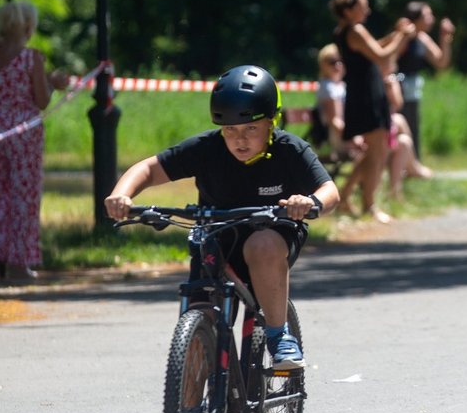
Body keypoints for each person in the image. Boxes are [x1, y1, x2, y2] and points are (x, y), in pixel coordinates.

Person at [104, 65, 340, 370]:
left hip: (272, 236)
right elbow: (149, 169)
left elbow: (330, 190)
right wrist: (122, 194)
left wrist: (308, 202)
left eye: (250, 129)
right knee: (198, 332)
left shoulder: (290, 150)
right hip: (218, 237)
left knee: (262, 244)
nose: (239, 139)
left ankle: (279, 336)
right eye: (230, 130)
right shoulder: (207, 149)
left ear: (271, 123)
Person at [0, 0, 68, 283]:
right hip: (23, 132)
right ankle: (19, 264)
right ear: (28, 27)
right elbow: (41, 101)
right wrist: (53, 82)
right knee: (23, 197)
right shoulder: (32, 58)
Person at [329, 0, 415, 223]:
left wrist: (395, 34)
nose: (367, 11)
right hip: (367, 95)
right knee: (376, 153)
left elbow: (375, 45)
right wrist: (402, 35)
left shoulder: (347, 30)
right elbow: (382, 55)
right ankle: (369, 205)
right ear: (348, 10)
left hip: (364, 93)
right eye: (363, 7)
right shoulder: (355, 30)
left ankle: (345, 196)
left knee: (375, 152)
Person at [395, 1, 455, 157]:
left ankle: (412, 162)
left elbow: (441, 62)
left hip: (412, 89)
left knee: (412, 124)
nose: (432, 19)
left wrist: (445, 38)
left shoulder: (422, 38)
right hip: (396, 90)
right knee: (400, 124)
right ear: (416, 18)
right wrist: (402, 36)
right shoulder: (401, 35)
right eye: (427, 15)